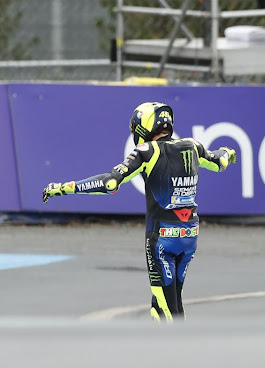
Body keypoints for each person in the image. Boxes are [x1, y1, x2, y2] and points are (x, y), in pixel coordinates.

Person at [42, 102, 237, 322]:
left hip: (161, 238)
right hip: (190, 236)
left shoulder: (147, 151)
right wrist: (228, 152)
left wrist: (64, 188)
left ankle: (178, 352)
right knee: (168, 303)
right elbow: (220, 161)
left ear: (144, 127)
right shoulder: (192, 146)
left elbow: (109, 184)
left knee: (165, 311)